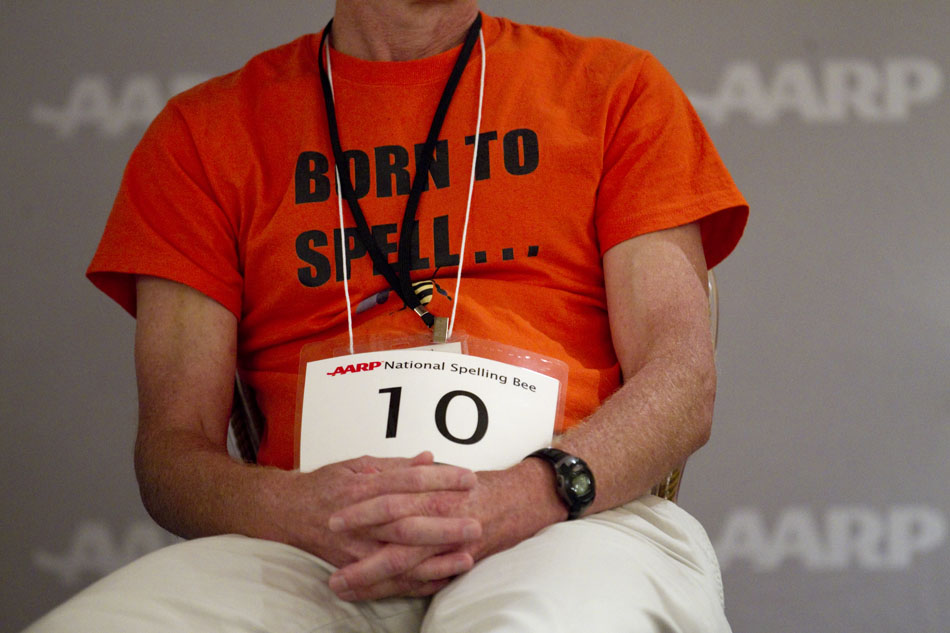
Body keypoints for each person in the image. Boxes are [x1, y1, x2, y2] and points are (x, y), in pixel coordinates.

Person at [28, 0, 748, 631]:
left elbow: (682, 378)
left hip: (571, 519)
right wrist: (296, 510)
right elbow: (171, 453)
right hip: (307, 542)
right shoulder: (201, 135)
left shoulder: (615, 89)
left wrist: (532, 491)